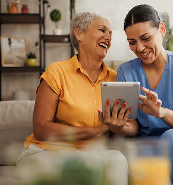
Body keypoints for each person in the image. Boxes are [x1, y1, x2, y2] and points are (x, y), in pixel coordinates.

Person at [99, 4, 173, 185]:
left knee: (172, 138)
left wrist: (161, 113)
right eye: (132, 42)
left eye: (145, 38)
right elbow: (133, 127)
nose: (139, 48)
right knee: (146, 162)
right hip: (151, 148)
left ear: (161, 29)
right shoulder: (125, 72)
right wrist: (117, 126)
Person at [16, 12, 128, 185]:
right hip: (46, 152)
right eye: (102, 30)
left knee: (118, 160)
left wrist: (117, 127)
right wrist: (94, 131)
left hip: (91, 155)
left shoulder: (116, 79)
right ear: (79, 34)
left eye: (110, 33)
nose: (108, 37)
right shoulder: (57, 72)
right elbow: (41, 128)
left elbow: (120, 130)